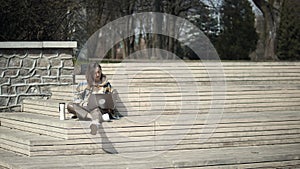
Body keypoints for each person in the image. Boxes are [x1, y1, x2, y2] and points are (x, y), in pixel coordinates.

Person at [67, 62, 112, 135]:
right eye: (95, 73)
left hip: (98, 108)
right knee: (70, 105)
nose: (97, 75)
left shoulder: (106, 85)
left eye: (99, 72)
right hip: (85, 107)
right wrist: (84, 103)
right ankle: (92, 118)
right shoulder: (83, 84)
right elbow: (76, 98)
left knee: (96, 110)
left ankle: (94, 123)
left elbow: (110, 100)